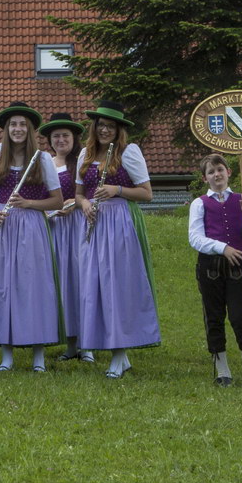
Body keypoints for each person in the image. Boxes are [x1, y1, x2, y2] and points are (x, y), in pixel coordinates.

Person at [75, 106, 162, 379]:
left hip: (120, 223)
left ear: (118, 130)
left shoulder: (129, 153)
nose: (104, 130)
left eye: (110, 126)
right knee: (96, 288)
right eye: (100, 125)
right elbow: (78, 194)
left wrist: (117, 189)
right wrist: (85, 203)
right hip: (93, 225)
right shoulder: (85, 154)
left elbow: (147, 194)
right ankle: (117, 355)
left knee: (117, 289)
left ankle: (119, 353)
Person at [0, 103, 64, 372]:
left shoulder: (41, 160)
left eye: (22, 125)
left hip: (32, 227)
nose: (17, 129)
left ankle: (38, 354)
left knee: (34, 286)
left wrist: (29, 203)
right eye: (13, 125)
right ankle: (7, 353)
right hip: (3, 227)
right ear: (6, 130)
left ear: (30, 131)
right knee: (3, 288)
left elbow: (58, 201)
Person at [187, 153, 242, 387]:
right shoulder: (200, 203)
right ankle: (222, 370)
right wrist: (222, 248)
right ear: (205, 178)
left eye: (220, 169)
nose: (216, 174)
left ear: (228, 172)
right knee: (214, 316)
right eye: (211, 172)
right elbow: (195, 238)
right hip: (211, 267)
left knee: (240, 316)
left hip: (238, 266)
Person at [43, 114, 86, 361]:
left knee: (82, 281)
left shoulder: (81, 161)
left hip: (78, 225)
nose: (61, 140)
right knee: (63, 284)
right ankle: (71, 343)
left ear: (74, 138)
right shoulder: (45, 162)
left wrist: (74, 203)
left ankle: (88, 344)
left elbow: (89, 193)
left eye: (65, 136)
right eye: (56, 136)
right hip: (56, 228)